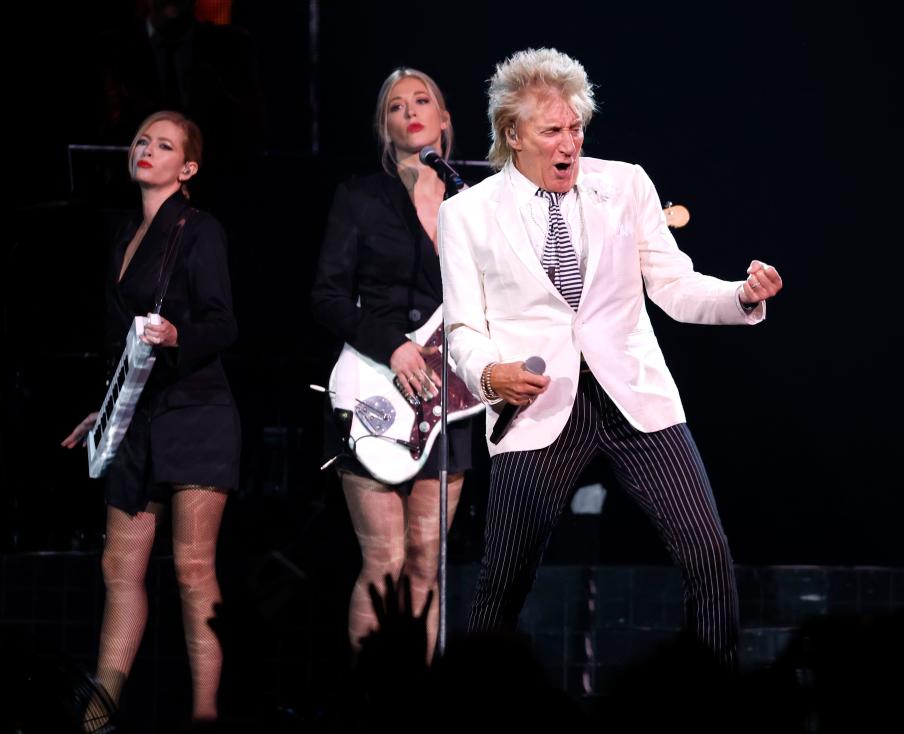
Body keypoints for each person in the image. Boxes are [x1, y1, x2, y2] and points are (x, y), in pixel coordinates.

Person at [437, 48, 783, 666]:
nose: (568, 143)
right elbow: (463, 327)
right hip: (537, 407)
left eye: (576, 128)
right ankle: (473, 710)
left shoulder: (625, 184)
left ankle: (721, 707)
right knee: (502, 584)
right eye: (552, 131)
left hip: (635, 399)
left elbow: (674, 287)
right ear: (513, 134)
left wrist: (739, 295)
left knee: (707, 556)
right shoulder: (466, 214)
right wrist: (490, 375)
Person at [62, 110, 239, 724]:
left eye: (163, 145)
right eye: (141, 140)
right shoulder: (123, 235)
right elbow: (122, 347)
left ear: (187, 167)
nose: (146, 149)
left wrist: (176, 335)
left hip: (195, 412)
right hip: (137, 418)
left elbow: (223, 323)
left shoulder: (199, 230)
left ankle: (207, 715)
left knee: (193, 570)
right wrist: (104, 410)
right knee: (120, 565)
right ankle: (99, 712)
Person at [311, 68, 471, 659]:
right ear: (385, 127)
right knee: (385, 560)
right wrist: (395, 345)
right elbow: (327, 296)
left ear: (445, 118)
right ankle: (368, 705)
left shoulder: (472, 203)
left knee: (427, 565)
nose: (410, 110)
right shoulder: (360, 197)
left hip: (449, 398)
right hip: (376, 384)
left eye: (423, 100)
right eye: (396, 106)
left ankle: (419, 706)